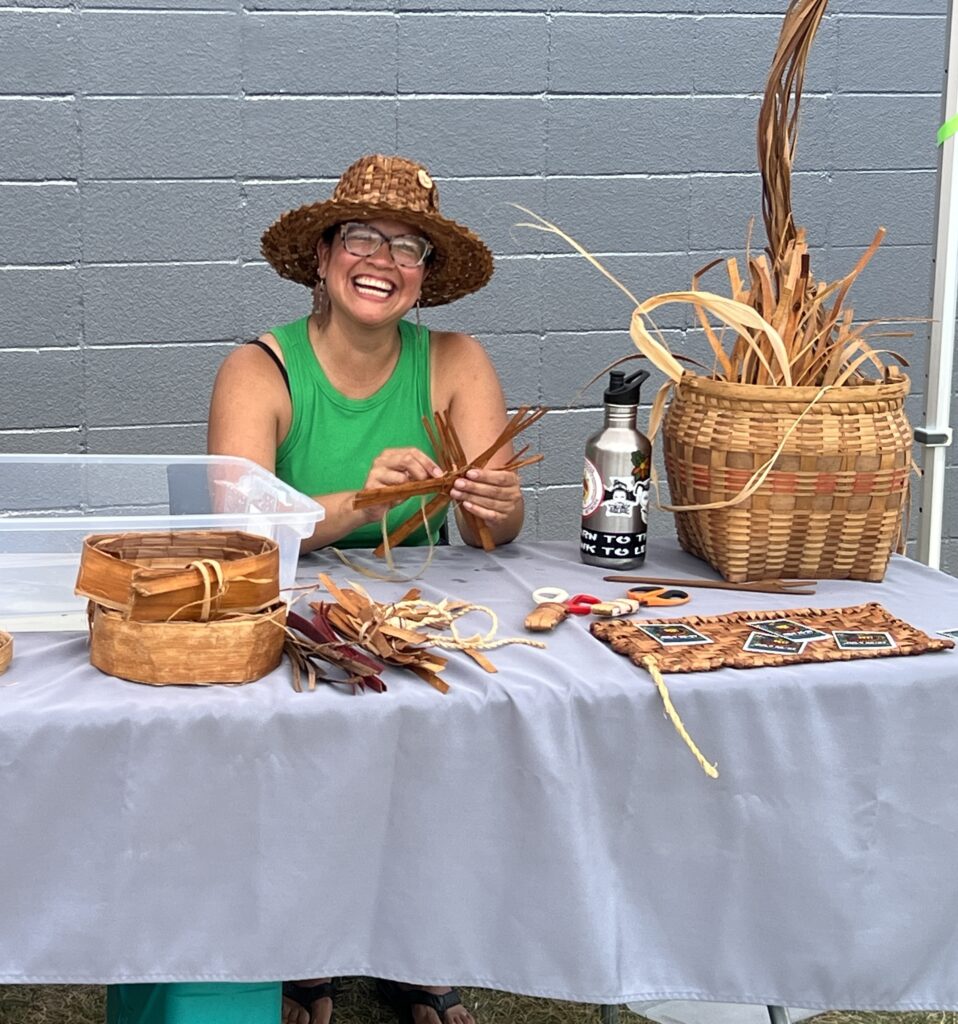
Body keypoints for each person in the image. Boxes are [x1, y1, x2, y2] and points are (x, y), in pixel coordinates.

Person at [208, 154, 524, 1024]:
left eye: (409, 246)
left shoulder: (456, 362)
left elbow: (491, 536)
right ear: (321, 256)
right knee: (300, 754)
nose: (382, 259)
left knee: (454, 742)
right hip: (294, 616)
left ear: (425, 279)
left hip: (423, 615)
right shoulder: (260, 369)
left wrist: (497, 503)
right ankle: (304, 956)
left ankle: (413, 955)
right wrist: (366, 500)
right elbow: (242, 536)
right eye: (361, 237)